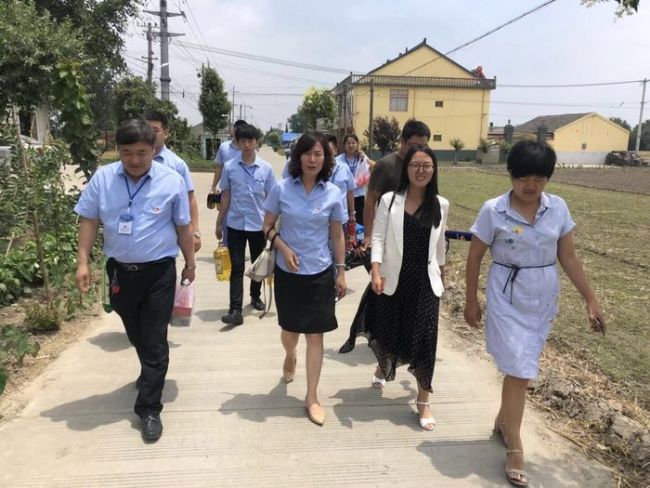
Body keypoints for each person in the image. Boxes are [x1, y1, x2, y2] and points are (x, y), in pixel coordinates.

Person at [463, 140, 606, 487]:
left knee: (522, 366)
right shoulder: (493, 210)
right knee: (519, 368)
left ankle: (504, 422)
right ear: (510, 174)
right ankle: (515, 447)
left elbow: (568, 256)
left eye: (539, 178)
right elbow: (475, 256)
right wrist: (471, 300)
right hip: (506, 295)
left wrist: (590, 299)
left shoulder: (557, 208)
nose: (531, 185)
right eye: (523, 178)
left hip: (542, 296)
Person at [74, 118, 196, 442]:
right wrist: (82, 262)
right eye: (127, 153)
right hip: (119, 272)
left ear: (153, 149)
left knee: (154, 339)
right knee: (136, 333)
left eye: (142, 152)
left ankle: (149, 408)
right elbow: (89, 220)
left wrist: (190, 264)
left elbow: (183, 227)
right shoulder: (103, 179)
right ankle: (150, 370)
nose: (134, 159)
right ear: (118, 150)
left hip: (159, 272)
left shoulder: (171, 181)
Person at [340, 145, 448, 432]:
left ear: (434, 170)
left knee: (425, 341)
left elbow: (440, 246)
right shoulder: (389, 201)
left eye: (426, 166)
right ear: (406, 169)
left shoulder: (441, 204)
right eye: (415, 165)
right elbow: (378, 237)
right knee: (391, 330)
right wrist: (375, 271)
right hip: (393, 277)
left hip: (425, 283)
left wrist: (442, 274)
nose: (421, 170)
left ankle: (423, 400)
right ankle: (382, 366)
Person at [262, 132, 347, 427]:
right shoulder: (282, 188)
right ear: (298, 157)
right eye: (308, 153)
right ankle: (290, 354)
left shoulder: (333, 193)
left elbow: (337, 235)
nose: (313, 159)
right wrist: (283, 248)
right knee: (290, 331)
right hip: (289, 274)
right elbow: (267, 226)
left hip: (320, 272)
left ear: (326, 158)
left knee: (315, 335)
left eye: (318, 154)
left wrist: (341, 270)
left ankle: (312, 396)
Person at [216, 124, 277, 325]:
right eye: (243, 141)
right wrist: (219, 222)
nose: (247, 144)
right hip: (235, 225)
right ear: (238, 142)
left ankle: (255, 296)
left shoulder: (266, 169)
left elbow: (273, 199)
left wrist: (273, 227)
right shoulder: (230, 167)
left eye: (250, 140)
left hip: (258, 226)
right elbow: (226, 196)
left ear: (256, 142)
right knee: (236, 266)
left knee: (258, 265)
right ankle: (235, 309)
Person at [362, 119, 431, 246]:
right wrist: (368, 235)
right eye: (414, 146)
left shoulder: (425, 168)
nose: (419, 150)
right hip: (390, 234)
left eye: (424, 146)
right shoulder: (385, 165)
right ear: (402, 142)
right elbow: (370, 201)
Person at [145, 111, 201, 252]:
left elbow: (190, 198)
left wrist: (195, 230)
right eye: (146, 129)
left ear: (166, 133)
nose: (149, 134)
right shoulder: (133, 162)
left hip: (166, 235)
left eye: (155, 130)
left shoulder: (177, 165)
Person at [336, 133, 375, 226]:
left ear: (357, 144)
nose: (351, 145)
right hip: (344, 196)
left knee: (359, 223)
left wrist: (364, 158)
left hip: (359, 195)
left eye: (353, 143)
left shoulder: (361, 157)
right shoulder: (339, 160)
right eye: (348, 143)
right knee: (345, 222)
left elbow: (374, 165)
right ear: (344, 145)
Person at [209, 119, 247, 193]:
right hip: (226, 189)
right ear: (233, 130)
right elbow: (219, 167)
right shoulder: (223, 147)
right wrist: (213, 186)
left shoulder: (248, 149)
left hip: (243, 190)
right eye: (236, 130)